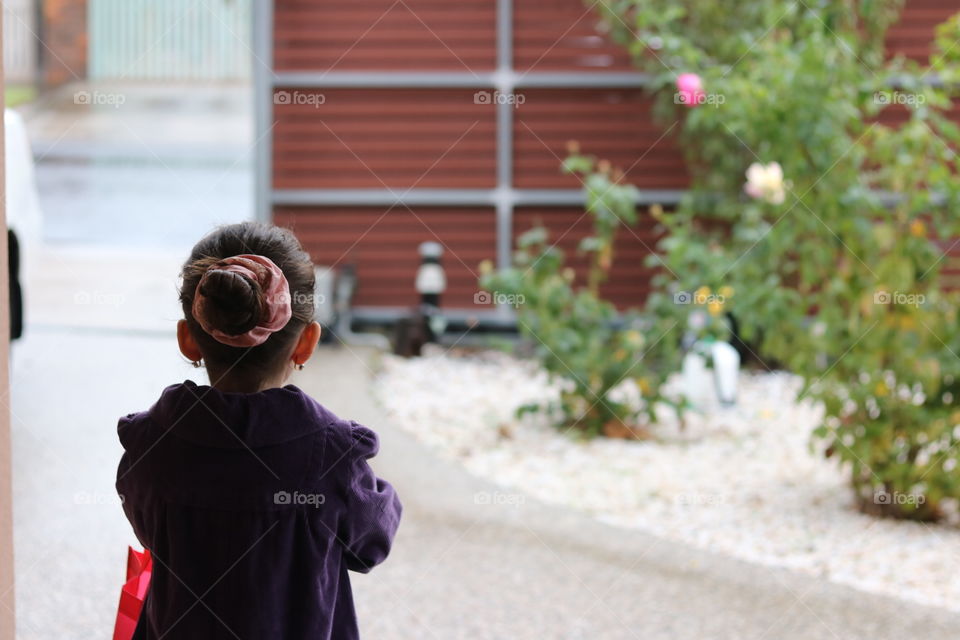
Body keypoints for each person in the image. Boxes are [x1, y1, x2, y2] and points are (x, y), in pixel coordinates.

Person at [116, 222, 401, 639]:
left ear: (188, 340)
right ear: (306, 343)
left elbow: (146, 526)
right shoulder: (331, 456)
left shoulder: (152, 443)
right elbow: (370, 544)